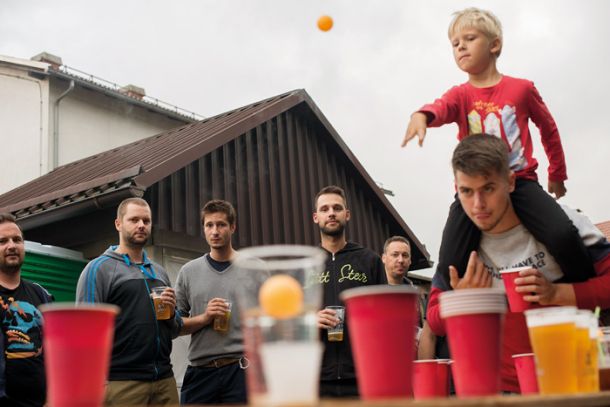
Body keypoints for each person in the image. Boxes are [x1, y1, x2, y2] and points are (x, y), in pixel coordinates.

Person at [401, 7, 595, 298]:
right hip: (476, 188)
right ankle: (440, 327)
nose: (461, 47)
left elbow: (548, 129)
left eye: (469, 38)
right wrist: (422, 116)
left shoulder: (521, 89)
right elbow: (440, 107)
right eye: (455, 44)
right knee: (449, 258)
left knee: (563, 235)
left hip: (521, 181)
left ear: (494, 45)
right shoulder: (460, 94)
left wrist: (557, 174)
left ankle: (592, 299)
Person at [426, 134, 610, 392]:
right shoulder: (460, 244)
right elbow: (433, 320)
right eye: (467, 192)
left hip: (573, 381)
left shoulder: (564, 223)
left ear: (511, 182)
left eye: (488, 188)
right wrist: (463, 301)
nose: (478, 205)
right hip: (502, 392)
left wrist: (558, 293)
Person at [76, 198, 182, 406]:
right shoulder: (98, 268)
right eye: (134, 220)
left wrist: (170, 313)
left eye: (146, 220)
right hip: (120, 382)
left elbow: (175, 329)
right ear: (118, 224)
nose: (141, 225)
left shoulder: (159, 272)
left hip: (164, 380)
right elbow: (85, 329)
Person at [313, 185, 387, 398]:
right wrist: (311, 320)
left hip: (363, 375)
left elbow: (383, 318)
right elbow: (290, 321)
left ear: (347, 214)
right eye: (325, 209)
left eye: (337, 208)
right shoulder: (307, 264)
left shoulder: (369, 260)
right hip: (317, 377)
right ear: (316, 217)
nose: (331, 213)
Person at [175, 200, 249, 405]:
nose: (215, 231)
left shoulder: (254, 269)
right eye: (209, 225)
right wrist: (205, 317)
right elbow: (175, 326)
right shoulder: (188, 272)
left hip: (241, 371)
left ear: (232, 227)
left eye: (221, 224)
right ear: (204, 229)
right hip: (201, 373)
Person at [0, 213, 52, 407]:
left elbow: (53, 351)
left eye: (17, 240)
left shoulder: (41, 294)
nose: (11, 245)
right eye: (2, 241)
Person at [381, 236, 436, 360]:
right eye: (395, 255)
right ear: (384, 258)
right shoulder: (373, 292)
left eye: (405, 255)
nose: (400, 260)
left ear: (410, 260)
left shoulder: (415, 295)